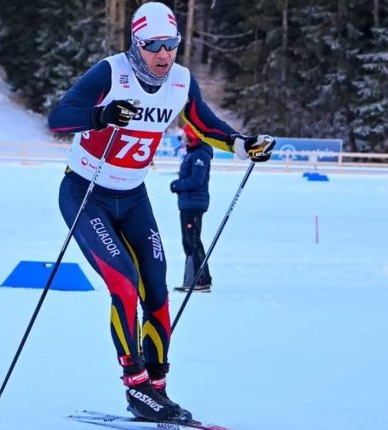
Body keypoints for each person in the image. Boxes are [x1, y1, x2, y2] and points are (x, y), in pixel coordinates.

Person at [46, 2, 275, 423]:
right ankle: (134, 386)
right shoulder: (111, 72)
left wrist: (244, 144)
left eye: (171, 45)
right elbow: (58, 119)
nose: (163, 55)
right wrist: (100, 116)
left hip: (133, 196)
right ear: (137, 43)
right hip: (85, 192)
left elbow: (206, 126)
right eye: (153, 46)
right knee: (124, 284)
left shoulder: (181, 82)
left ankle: (158, 387)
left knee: (157, 288)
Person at [170, 125, 213, 293]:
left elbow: (197, 179)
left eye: (186, 136)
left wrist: (177, 185)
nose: (184, 140)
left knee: (192, 241)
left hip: (194, 204)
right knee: (189, 241)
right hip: (188, 203)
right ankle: (194, 279)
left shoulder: (199, 155)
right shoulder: (192, 154)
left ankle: (199, 280)